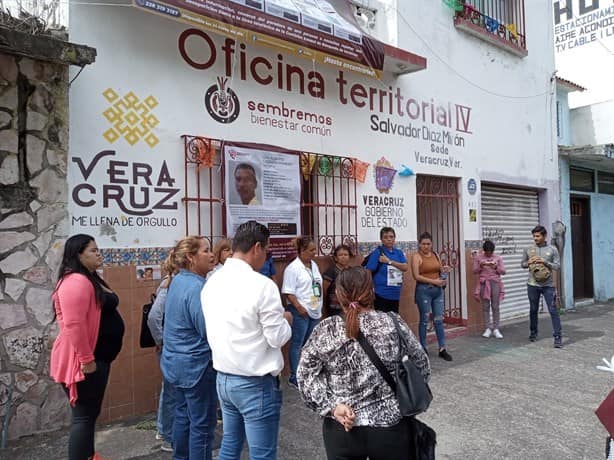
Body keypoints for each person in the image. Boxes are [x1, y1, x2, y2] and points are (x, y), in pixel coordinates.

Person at [297, 267, 430, 460]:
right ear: (372, 292)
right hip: (390, 428)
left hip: (342, 430)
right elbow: (421, 365)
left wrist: (332, 407)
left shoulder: (326, 330)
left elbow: (304, 377)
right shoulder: (392, 322)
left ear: (339, 295)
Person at [202, 220, 293, 460]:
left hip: (224, 379)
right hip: (255, 384)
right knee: (262, 454)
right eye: (266, 249)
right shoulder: (262, 286)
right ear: (257, 248)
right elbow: (277, 337)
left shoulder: (212, 282)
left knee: (230, 446)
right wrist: (287, 320)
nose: (266, 256)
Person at [50, 234, 125, 460]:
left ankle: (89, 455)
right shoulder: (76, 282)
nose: (98, 253)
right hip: (86, 363)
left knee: (89, 415)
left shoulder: (89, 278)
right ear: (78, 255)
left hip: (96, 359)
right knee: (83, 417)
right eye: (93, 250)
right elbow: (74, 325)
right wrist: (86, 360)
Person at [160, 236, 217, 460]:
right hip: (196, 367)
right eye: (206, 250)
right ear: (191, 258)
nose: (211, 254)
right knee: (202, 425)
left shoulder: (178, 281)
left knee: (183, 415)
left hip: (175, 364)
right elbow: (208, 330)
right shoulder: (197, 288)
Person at [147, 252, 179, 453]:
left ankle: (165, 430)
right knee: (170, 391)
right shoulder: (170, 286)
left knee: (171, 390)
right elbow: (153, 317)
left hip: (171, 347)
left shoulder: (173, 283)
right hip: (170, 347)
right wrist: (161, 341)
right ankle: (166, 434)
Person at [282, 236, 323, 388]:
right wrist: (299, 308)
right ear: (302, 251)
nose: (314, 253)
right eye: (311, 250)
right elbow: (288, 292)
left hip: (314, 310)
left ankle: (307, 373)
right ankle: (294, 376)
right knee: (297, 344)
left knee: (309, 344)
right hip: (300, 311)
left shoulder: (314, 265)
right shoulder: (292, 269)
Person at [411, 232, 452, 361]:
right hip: (424, 291)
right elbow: (416, 276)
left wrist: (444, 270)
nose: (426, 246)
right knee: (424, 320)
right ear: (419, 244)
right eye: (423, 244)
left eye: (428, 244)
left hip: (437, 291)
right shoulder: (416, 257)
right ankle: (423, 348)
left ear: (432, 244)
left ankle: (442, 348)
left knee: (439, 319)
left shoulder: (435, 255)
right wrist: (434, 281)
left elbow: (439, 269)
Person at [521, 225, 562, 348]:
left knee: (553, 310)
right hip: (532, 285)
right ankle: (533, 333)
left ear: (544, 236)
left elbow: (557, 266)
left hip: (548, 286)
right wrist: (528, 262)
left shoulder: (552, 249)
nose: (535, 238)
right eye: (534, 236)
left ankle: (558, 337)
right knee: (533, 310)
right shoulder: (528, 249)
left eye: (538, 236)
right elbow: (522, 264)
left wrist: (544, 261)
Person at [364, 227, 408, 314]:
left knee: (394, 320)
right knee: (382, 322)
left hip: (395, 294)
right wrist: (370, 290)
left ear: (395, 238)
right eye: (386, 237)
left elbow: (405, 267)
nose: (389, 239)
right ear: (381, 239)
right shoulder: (378, 253)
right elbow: (368, 271)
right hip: (380, 293)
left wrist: (389, 261)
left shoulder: (399, 253)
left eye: (391, 237)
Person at [473, 240, 506, 339]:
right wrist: (481, 266)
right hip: (484, 283)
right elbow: (474, 271)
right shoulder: (478, 258)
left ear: (493, 251)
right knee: (485, 306)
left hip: (495, 283)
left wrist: (496, 267)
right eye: (487, 252)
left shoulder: (498, 258)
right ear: (484, 251)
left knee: (495, 306)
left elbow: (503, 271)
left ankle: (496, 328)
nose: (488, 254)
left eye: (490, 252)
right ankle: (487, 328)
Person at [322, 244, 353, 318]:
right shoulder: (331, 271)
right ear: (335, 258)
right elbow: (324, 289)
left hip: (349, 306)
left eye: (346, 255)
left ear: (349, 257)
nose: (343, 257)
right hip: (335, 307)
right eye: (340, 255)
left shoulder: (352, 270)